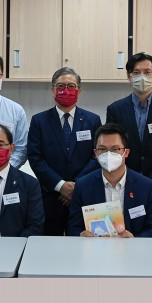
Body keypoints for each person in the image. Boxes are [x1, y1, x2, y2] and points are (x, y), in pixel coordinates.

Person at [105, 53, 152, 237]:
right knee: (121, 239)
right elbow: (112, 149)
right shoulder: (115, 109)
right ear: (128, 76)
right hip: (124, 186)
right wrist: (133, 179)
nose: (142, 76)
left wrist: (149, 180)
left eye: (147, 72)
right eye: (136, 72)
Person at [27, 67, 102, 235]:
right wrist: (61, 186)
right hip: (50, 198)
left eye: (71, 86)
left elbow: (97, 156)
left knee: (83, 251)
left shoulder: (93, 120)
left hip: (83, 198)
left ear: (79, 90)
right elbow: (35, 158)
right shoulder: (39, 121)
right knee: (50, 253)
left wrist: (77, 185)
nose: (65, 90)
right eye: (60, 86)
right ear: (53, 89)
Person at [67, 123, 152, 238]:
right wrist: (81, 236)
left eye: (115, 149)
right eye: (102, 149)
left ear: (126, 153)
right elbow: (73, 227)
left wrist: (135, 240)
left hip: (134, 252)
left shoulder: (147, 187)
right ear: (96, 153)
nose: (108, 154)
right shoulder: (83, 186)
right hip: (94, 251)